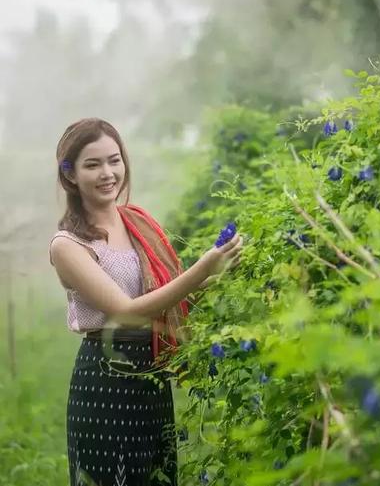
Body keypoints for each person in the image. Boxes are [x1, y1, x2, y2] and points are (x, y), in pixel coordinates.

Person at [48, 117, 243, 486]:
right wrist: (202, 268)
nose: (108, 173)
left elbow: (169, 301)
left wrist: (219, 273)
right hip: (105, 380)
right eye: (93, 164)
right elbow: (126, 311)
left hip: (151, 374)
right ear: (70, 175)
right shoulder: (68, 246)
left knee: (158, 476)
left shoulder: (136, 221)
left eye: (114, 160)